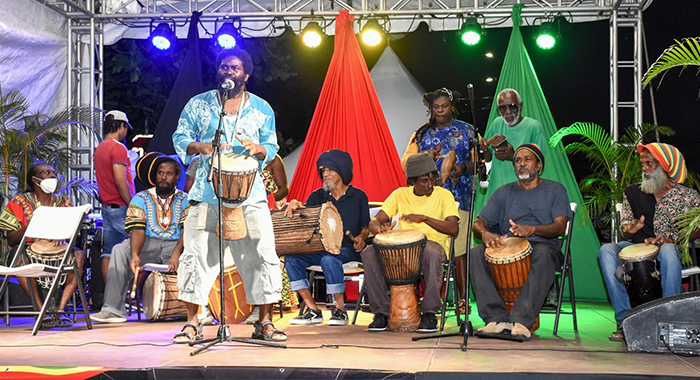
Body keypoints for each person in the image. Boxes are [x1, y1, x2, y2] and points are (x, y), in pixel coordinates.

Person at [172, 47, 285, 343]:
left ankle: (264, 322)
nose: (228, 72)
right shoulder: (199, 105)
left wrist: (261, 150)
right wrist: (201, 146)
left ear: (246, 74)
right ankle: (193, 322)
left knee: (262, 255)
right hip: (207, 193)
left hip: (250, 195)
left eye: (234, 68)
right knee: (195, 256)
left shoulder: (262, 108)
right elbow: (180, 137)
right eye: (224, 67)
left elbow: (271, 146)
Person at [598, 143, 700, 342]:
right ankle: (625, 320)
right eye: (642, 163)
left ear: (665, 166)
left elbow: (698, 227)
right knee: (606, 250)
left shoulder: (688, 196)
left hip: (670, 248)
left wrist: (673, 238)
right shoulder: (632, 192)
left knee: (669, 250)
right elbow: (626, 229)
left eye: (649, 164)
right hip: (638, 246)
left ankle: (668, 319)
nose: (643, 168)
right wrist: (630, 229)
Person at [470, 144, 571, 342]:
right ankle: (495, 319)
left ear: (539, 166)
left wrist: (532, 229)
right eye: (517, 160)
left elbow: (560, 227)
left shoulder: (555, 190)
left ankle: (522, 321)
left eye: (527, 159)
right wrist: (484, 233)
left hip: (543, 245)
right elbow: (478, 223)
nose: (522, 164)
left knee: (542, 254)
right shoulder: (503, 193)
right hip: (508, 246)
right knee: (475, 253)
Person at [361, 152, 459, 333]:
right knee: (369, 253)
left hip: (432, 246)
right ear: (412, 180)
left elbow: (453, 229)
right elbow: (374, 222)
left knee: (431, 252)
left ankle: (429, 312)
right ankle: (381, 312)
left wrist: (424, 218)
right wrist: (378, 229)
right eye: (424, 180)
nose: (430, 184)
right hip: (400, 252)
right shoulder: (400, 195)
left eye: (433, 177)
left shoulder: (444, 195)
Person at [400, 87, 477, 314]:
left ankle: (463, 300)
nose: (440, 111)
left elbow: (481, 163)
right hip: (428, 200)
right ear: (430, 109)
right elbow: (405, 162)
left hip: (459, 198)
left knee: (460, 252)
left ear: (452, 107)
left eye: (444, 107)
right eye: (436, 107)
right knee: (425, 250)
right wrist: (426, 158)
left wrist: (463, 168)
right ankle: (422, 301)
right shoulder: (421, 134)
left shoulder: (468, 131)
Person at [91, 154, 189, 324]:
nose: (163, 177)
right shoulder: (141, 198)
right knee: (119, 250)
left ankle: (200, 310)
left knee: (196, 252)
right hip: (147, 244)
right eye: (160, 173)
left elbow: (186, 230)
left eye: (169, 173)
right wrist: (135, 254)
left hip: (175, 246)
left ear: (176, 176)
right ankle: (113, 310)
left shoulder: (185, 200)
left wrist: (176, 252)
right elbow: (137, 228)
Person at [284, 150, 370, 326]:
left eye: (331, 170)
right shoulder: (318, 196)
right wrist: (294, 205)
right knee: (292, 260)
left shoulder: (358, 196)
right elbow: (306, 217)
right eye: (323, 170)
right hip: (321, 249)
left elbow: (366, 227)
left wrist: (362, 237)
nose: (325, 174)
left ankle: (340, 310)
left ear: (343, 170)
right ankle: (313, 310)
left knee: (329, 259)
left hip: (346, 250)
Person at [0, 163, 86, 328]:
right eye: (47, 173)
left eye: (54, 173)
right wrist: (31, 226)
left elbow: (75, 236)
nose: (52, 176)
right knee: (18, 256)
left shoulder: (64, 203)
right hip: (27, 251)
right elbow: (11, 239)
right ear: (35, 179)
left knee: (79, 255)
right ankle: (42, 313)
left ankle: (60, 310)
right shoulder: (18, 203)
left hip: (58, 253)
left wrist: (65, 236)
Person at [94, 110, 135, 283]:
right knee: (139, 247)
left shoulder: (100, 147)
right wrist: (133, 205)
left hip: (107, 207)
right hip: (120, 206)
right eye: (126, 128)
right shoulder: (118, 148)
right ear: (121, 126)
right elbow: (120, 181)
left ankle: (110, 298)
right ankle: (126, 294)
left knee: (109, 251)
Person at [482, 89, 546, 198]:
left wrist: (514, 156)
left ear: (520, 106)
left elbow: (539, 166)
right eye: (502, 108)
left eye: (512, 106)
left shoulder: (534, 127)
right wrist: (484, 149)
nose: (507, 112)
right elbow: (488, 160)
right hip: (497, 192)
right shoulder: (497, 123)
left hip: (522, 193)